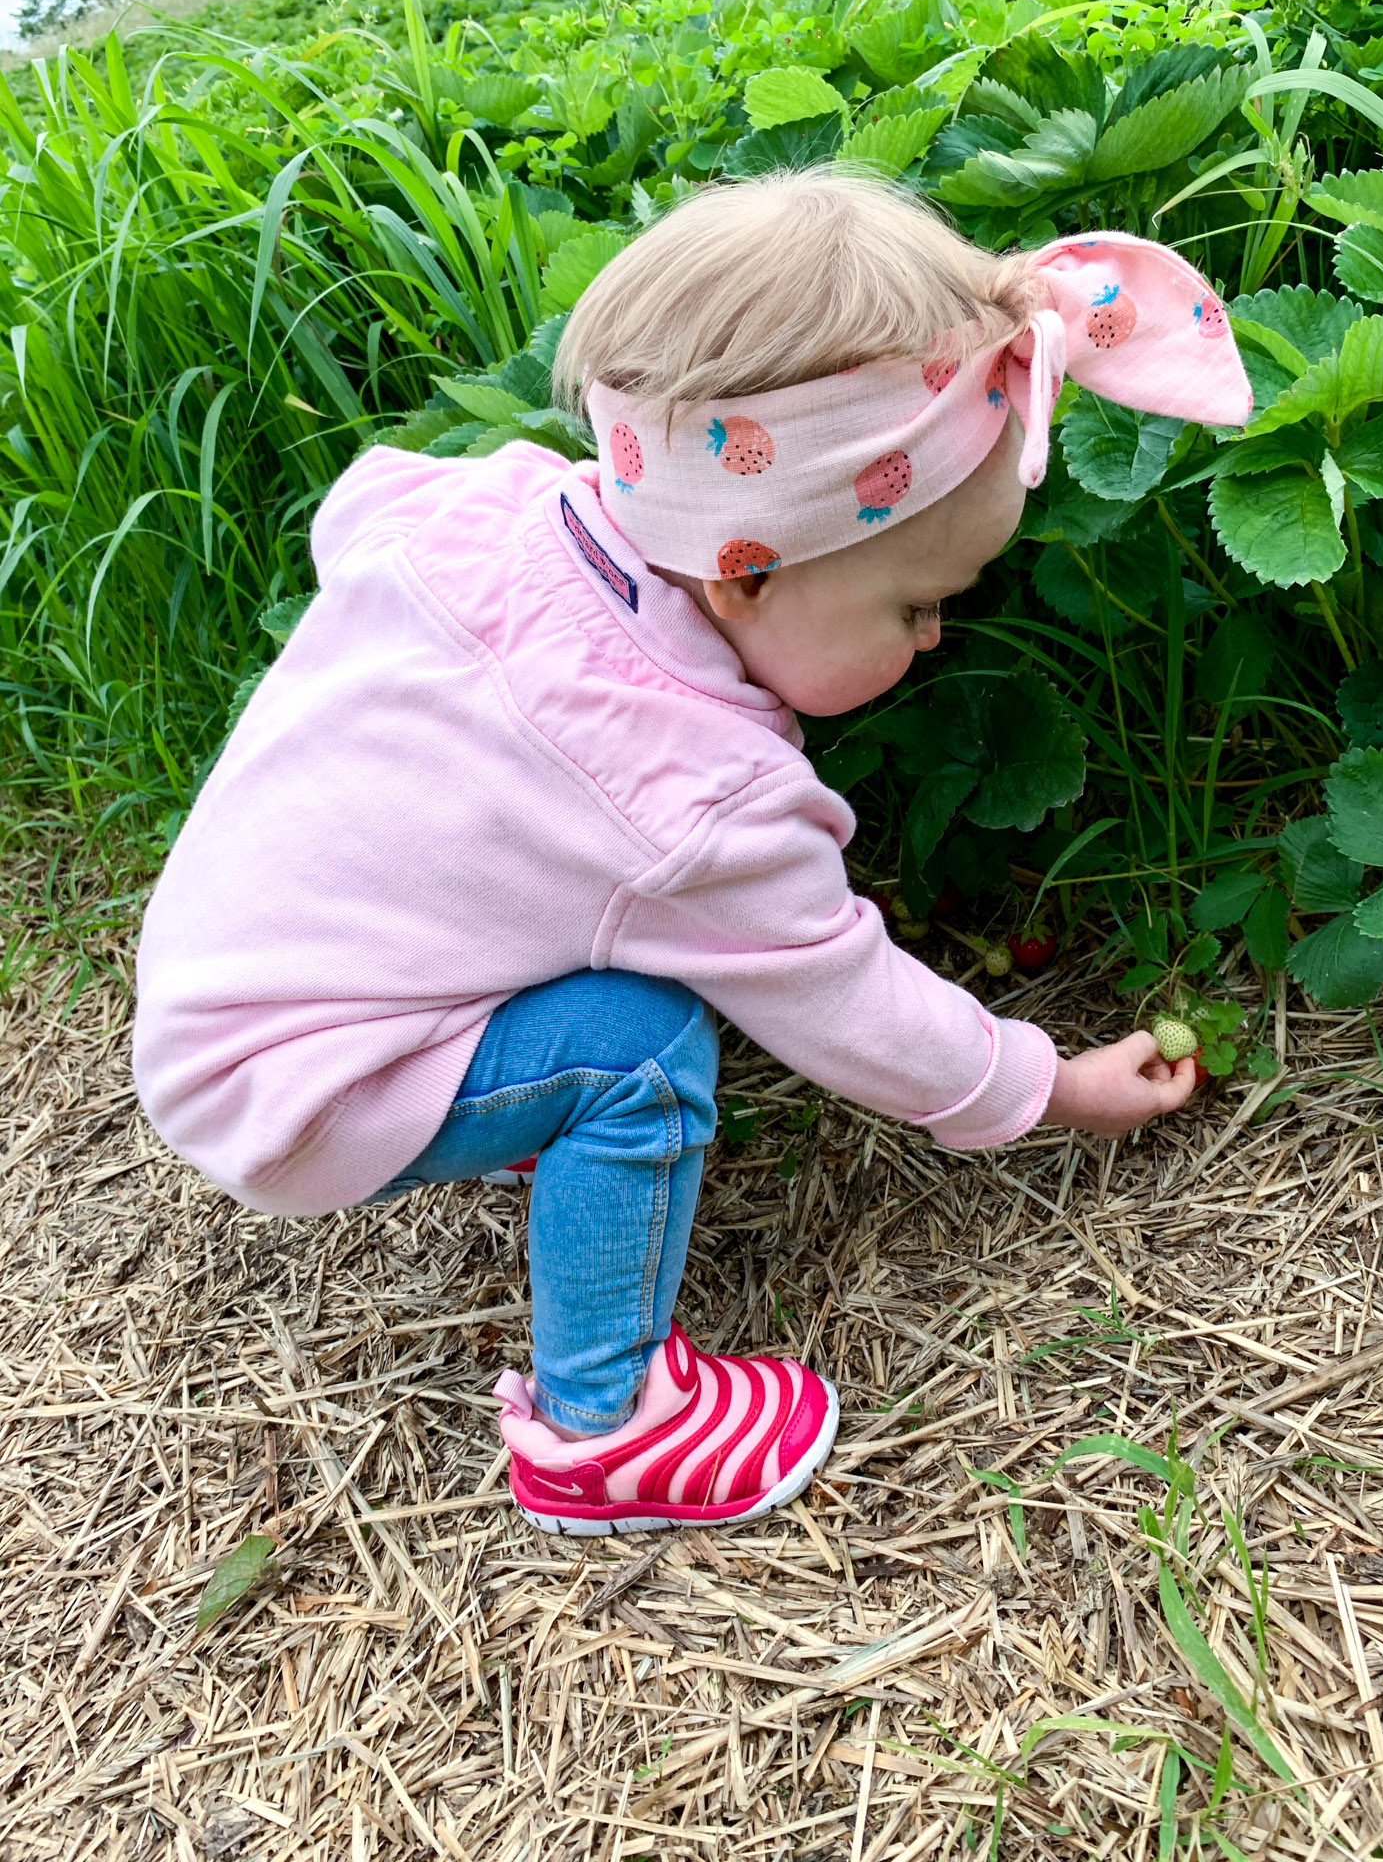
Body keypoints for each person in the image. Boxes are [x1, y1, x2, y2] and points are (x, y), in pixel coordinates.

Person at [132, 170, 1251, 1537]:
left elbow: (358, 509)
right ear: (746, 571)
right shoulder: (691, 795)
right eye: (915, 604)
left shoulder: (495, 506)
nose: (934, 638)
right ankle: (601, 1429)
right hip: (288, 1088)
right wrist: (1051, 1088)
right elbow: (847, 1001)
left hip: (218, 976)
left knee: (597, 956)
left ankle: (518, 1116)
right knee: (642, 1045)